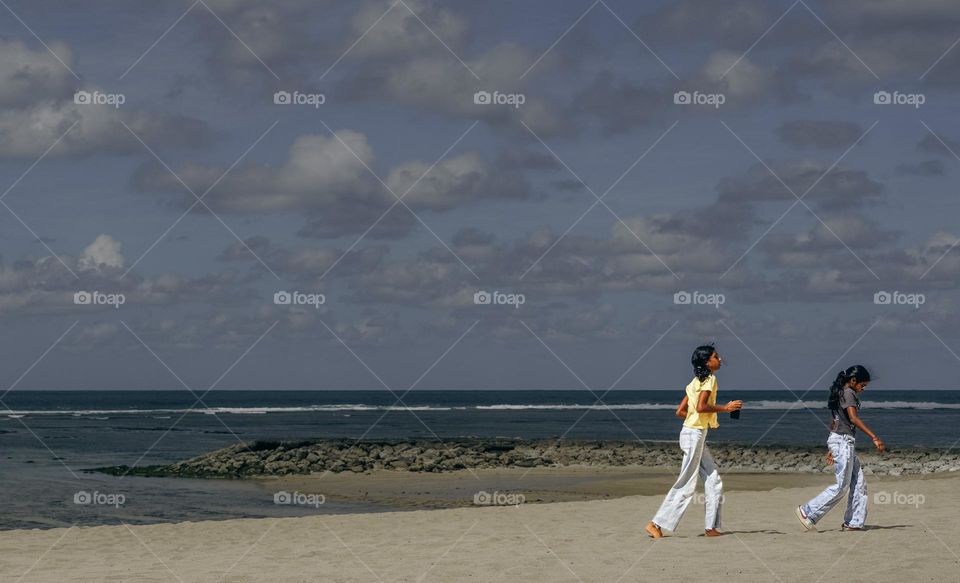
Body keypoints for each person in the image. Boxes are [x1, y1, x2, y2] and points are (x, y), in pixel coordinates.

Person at [646, 344, 742, 538]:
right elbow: (700, 407)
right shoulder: (710, 380)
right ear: (707, 362)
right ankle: (656, 523)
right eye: (716, 356)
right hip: (694, 435)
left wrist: (699, 421)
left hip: (692, 434)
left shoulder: (693, 383)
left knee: (714, 480)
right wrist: (726, 408)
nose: (720, 359)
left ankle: (711, 528)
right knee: (686, 483)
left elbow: (681, 412)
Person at [796, 365, 885, 532]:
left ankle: (854, 522)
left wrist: (831, 446)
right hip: (843, 442)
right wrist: (874, 437)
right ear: (853, 381)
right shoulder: (848, 392)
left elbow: (836, 421)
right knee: (841, 486)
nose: (863, 389)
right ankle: (807, 511)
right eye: (862, 385)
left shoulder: (840, 392)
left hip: (842, 441)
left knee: (859, 483)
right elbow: (853, 418)